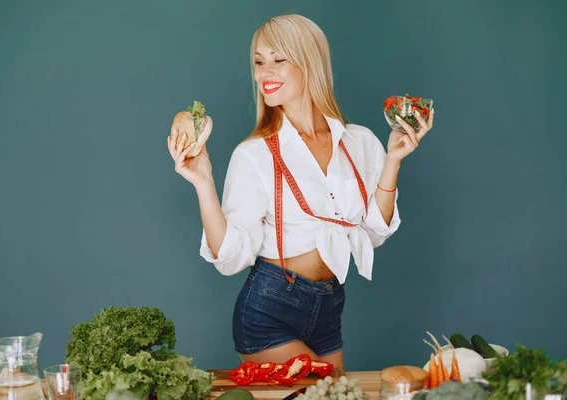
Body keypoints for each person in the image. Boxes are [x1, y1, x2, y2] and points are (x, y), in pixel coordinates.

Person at [167, 14, 434, 374]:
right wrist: (203, 183)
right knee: (324, 396)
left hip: (328, 309)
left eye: (279, 60)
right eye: (259, 62)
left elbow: (372, 235)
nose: (264, 73)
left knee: (340, 399)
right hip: (269, 308)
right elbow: (230, 257)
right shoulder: (255, 153)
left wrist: (394, 161)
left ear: (311, 64)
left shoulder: (360, 142)